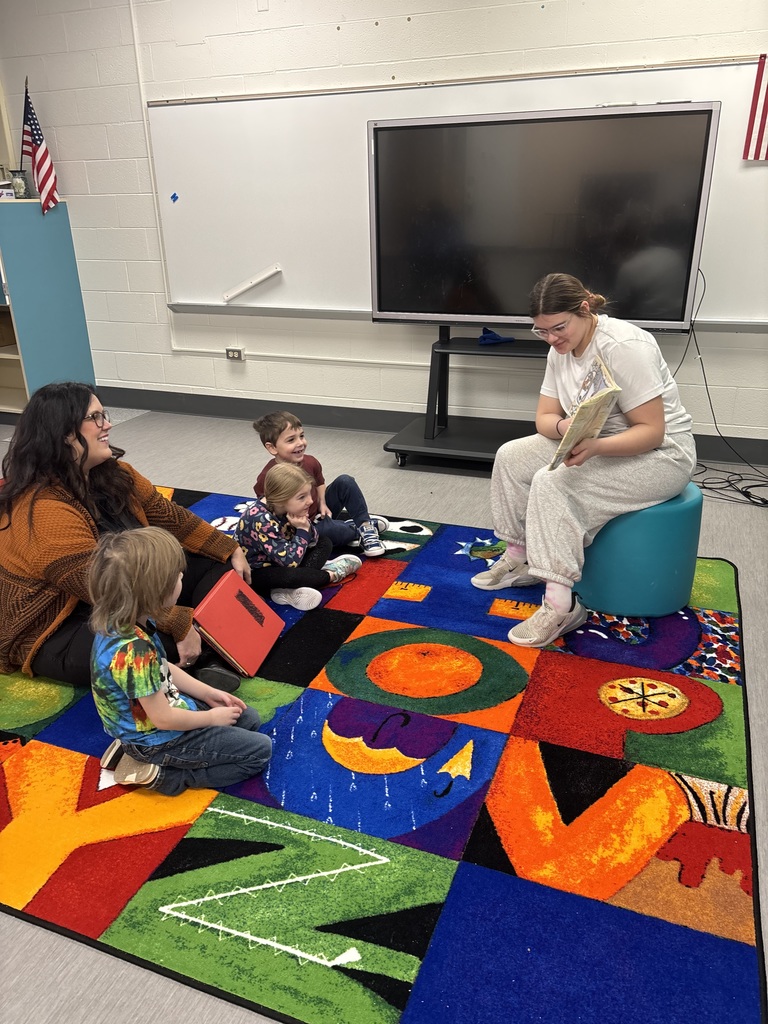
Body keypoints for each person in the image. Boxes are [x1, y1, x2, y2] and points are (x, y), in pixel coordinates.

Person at [471, 272, 696, 647]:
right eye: (541, 331)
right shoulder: (557, 348)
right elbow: (544, 418)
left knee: (553, 481)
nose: (552, 339)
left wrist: (594, 447)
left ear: (585, 309)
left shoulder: (624, 346)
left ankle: (561, 607)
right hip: (592, 440)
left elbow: (652, 431)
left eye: (559, 328)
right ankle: (521, 555)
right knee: (510, 456)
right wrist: (568, 430)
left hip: (662, 454)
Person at [0, 381, 252, 691]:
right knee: (137, 649)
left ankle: (197, 656)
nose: (107, 424)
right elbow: (102, 588)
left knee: (215, 567)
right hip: (63, 624)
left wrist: (229, 548)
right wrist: (175, 621)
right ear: (65, 433)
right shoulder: (43, 509)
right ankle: (198, 658)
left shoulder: (116, 473)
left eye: (103, 414)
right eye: (95, 418)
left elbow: (172, 518)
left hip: (129, 592)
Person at [89, 528, 272, 792]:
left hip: (154, 720)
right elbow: (163, 719)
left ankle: (131, 748)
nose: (182, 576)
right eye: (177, 576)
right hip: (159, 737)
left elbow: (164, 669)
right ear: (155, 592)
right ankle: (165, 776)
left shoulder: (129, 621)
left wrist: (208, 693)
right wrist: (210, 719)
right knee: (259, 751)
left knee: (248, 718)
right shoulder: (132, 652)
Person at [252, 411, 389, 557]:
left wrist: (322, 503)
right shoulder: (267, 477)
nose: (300, 443)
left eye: (302, 436)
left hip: (318, 511)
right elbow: (266, 511)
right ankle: (355, 529)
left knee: (345, 481)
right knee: (333, 532)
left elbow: (320, 483)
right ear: (272, 448)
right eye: (291, 440)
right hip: (302, 525)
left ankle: (365, 525)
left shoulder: (310, 461)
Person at [235, 463, 362, 611]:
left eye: (309, 494)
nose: (310, 501)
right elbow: (289, 562)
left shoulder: (285, 507)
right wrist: (302, 530)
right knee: (292, 576)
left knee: (325, 542)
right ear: (281, 499)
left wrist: (306, 526)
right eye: (302, 497)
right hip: (259, 571)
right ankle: (331, 574)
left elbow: (314, 541)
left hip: (285, 557)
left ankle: (287, 591)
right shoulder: (261, 519)